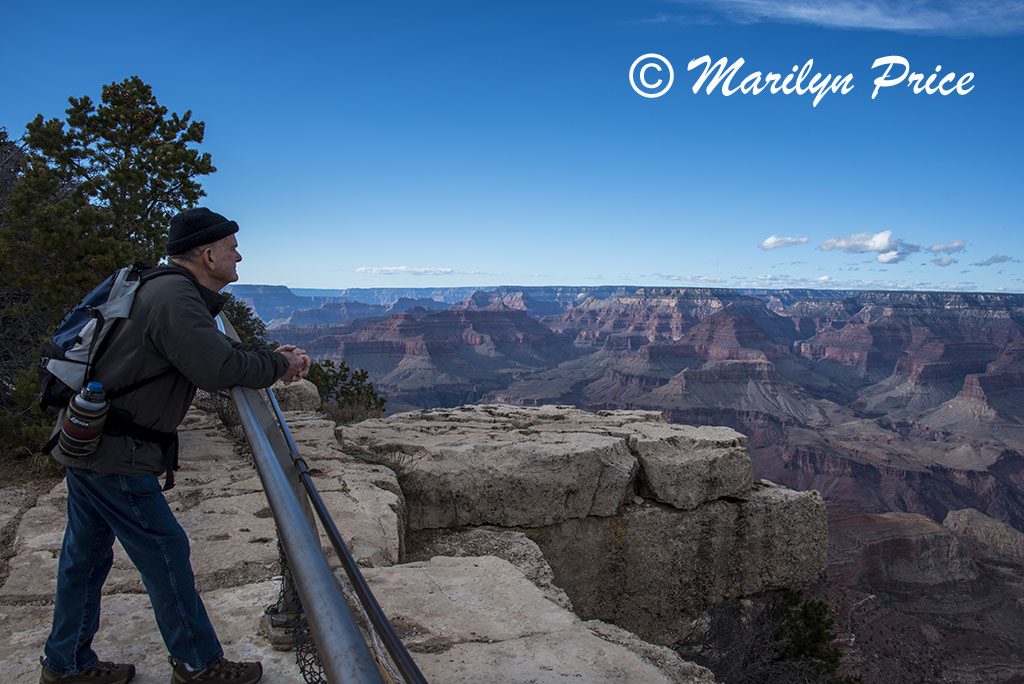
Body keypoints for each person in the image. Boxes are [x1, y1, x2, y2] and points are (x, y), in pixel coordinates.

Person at [39, 208, 311, 684]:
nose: (239, 255)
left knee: (84, 558)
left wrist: (270, 356)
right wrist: (278, 368)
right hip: (116, 453)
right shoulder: (175, 296)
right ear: (208, 255)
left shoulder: (168, 289)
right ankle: (198, 663)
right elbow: (218, 370)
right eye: (231, 248)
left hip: (91, 440)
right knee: (165, 551)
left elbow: (212, 351)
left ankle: (64, 664)